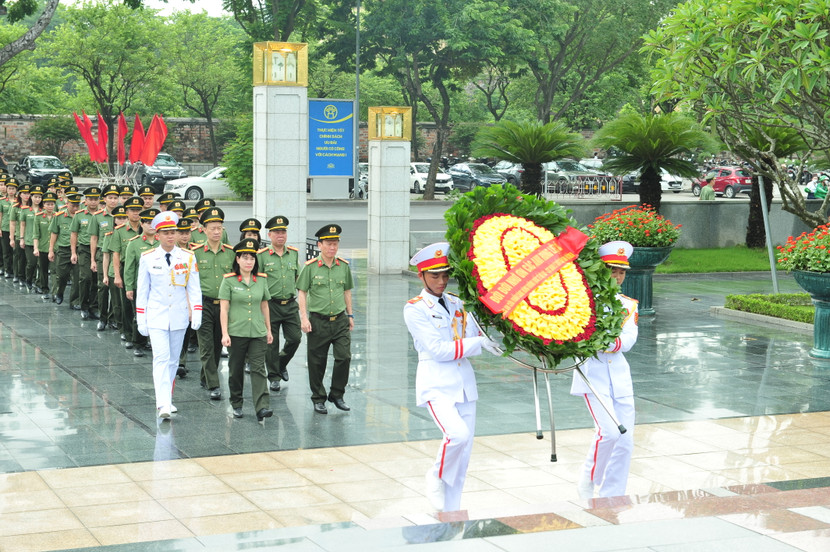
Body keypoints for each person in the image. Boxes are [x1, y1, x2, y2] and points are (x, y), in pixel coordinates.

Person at [403, 242, 502, 512]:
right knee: (456, 436)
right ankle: (435, 476)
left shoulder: (458, 303)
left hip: (464, 384)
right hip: (436, 383)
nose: (441, 281)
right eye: (434, 275)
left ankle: (452, 510)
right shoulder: (414, 309)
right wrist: (477, 344)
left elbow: (471, 334)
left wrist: (487, 336)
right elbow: (438, 350)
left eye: (445, 275)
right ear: (421, 276)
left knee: (464, 453)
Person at [571, 240, 639, 499]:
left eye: (622, 271)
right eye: (613, 270)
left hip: (620, 377)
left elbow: (629, 338)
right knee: (609, 432)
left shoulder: (629, 304)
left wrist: (609, 342)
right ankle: (589, 479)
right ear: (601, 270)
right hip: (593, 375)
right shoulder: (585, 301)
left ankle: (613, 494)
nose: (618, 276)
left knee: (625, 441)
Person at [136, 211, 202, 419]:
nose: (170, 236)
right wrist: (141, 317)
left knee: (174, 361)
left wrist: (197, 312)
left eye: (173, 232)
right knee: (161, 358)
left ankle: (168, 398)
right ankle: (162, 403)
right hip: (156, 316)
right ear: (158, 235)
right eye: (166, 233)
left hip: (179, 316)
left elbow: (194, 288)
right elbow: (142, 291)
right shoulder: (147, 258)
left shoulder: (188, 257)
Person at [297, 224, 354, 414]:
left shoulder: (343, 266)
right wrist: (304, 318)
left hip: (339, 320)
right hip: (318, 321)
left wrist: (350, 315)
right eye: (329, 244)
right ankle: (318, 398)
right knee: (316, 362)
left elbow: (346, 291)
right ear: (320, 245)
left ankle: (337, 394)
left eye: (335, 244)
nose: (333, 248)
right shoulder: (310, 268)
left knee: (344, 357)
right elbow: (302, 292)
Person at [219, 239, 274, 421]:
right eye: (245, 258)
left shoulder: (261, 280)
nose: (249, 261)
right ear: (238, 259)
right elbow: (224, 309)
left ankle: (262, 407)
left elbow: (264, 306)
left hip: (257, 331)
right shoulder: (229, 281)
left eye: (252, 258)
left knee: (259, 369)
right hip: (236, 332)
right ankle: (236, 403)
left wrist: (269, 330)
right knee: (235, 369)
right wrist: (225, 333)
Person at [191, 207, 235, 400]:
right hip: (204, 303)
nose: (217, 232)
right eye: (213, 228)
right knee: (206, 345)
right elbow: (189, 282)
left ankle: (205, 376)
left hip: (224, 306)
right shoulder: (196, 253)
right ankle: (214, 384)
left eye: (220, 228)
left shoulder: (231, 254)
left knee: (218, 345)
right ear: (204, 230)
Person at [258, 215, 301, 392]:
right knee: (271, 342)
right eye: (276, 232)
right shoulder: (261, 256)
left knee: (295, 338)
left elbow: (299, 278)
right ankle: (274, 376)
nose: (280, 235)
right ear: (270, 235)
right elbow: (257, 280)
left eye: (283, 231)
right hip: (271, 305)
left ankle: (282, 363)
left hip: (290, 304)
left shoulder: (294, 253)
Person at [124, 208, 160, 357]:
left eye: (153, 222)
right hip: (142, 286)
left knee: (157, 314)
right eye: (147, 222)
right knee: (139, 314)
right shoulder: (134, 243)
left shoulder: (162, 242)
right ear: (142, 224)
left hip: (158, 286)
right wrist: (129, 287)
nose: (150, 225)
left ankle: (154, 341)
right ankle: (138, 343)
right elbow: (129, 267)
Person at [90, 184, 119, 330]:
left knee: (115, 287)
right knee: (103, 286)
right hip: (103, 254)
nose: (113, 201)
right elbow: (94, 238)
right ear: (105, 199)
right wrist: (93, 259)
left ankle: (113, 317)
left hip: (118, 254)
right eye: (110, 198)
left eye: (115, 198)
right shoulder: (98, 217)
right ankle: (102, 317)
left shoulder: (123, 216)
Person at [70, 186, 101, 319]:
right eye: (90, 199)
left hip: (99, 249)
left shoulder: (103, 215)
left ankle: (94, 307)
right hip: (84, 249)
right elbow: (74, 234)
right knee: (85, 277)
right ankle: (83, 305)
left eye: (96, 199)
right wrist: (73, 252)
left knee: (96, 279)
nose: (93, 202)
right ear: (85, 200)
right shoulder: (79, 215)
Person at [48, 192, 82, 306]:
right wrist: (51, 250)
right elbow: (54, 233)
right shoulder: (59, 216)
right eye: (73, 205)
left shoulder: (82, 216)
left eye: (78, 205)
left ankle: (74, 301)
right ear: (67, 204)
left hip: (79, 249)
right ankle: (60, 292)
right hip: (63, 249)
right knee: (62, 275)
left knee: (77, 277)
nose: (76, 208)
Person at [33, 191, 57, 299]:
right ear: (44, 205)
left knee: (54, 271)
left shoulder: (58, 216)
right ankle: (44, 289)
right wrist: (36, 248)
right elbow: (36, 234)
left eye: (52, 204)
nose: (50, 206)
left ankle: (55, 292)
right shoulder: (38, 217)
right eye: (48, 204)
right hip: (42, 247)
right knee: (43, 270)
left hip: (55, 248)